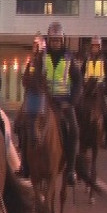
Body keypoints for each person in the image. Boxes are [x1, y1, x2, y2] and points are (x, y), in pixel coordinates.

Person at [44, 21, 81, 185]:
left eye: (58, 40)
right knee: (24, 124)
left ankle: (71, 169)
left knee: (74, 129)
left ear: (63, 40)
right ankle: (25, 164)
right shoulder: (42, 57)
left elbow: (78, 82)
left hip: (64, 102)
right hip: (45, 101)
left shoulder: (69, 58)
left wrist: (71, 102)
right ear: (48, 41)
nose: (56, 43)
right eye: (53, 40)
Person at [18, 34, 47, 179]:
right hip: (30, 96)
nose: (34, 47)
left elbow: (44, 79)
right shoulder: (32, 62)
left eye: (36, 45)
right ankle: (25, 165)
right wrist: (27, 80)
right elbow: (25, 78)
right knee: (21, 126)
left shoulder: (45, 61)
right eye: (33, 45)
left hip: (41, 96)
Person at [81, 35, 107, 149]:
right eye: (93, 46)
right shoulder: (87, 58)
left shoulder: (103, 60)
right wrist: (83, 85)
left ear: (100, 47)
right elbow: (81, 73)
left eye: (97, 46)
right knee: (80, 109)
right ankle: (81, 135)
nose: (95, 48)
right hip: (88, 90)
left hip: (99, 90)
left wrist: (105, 87)